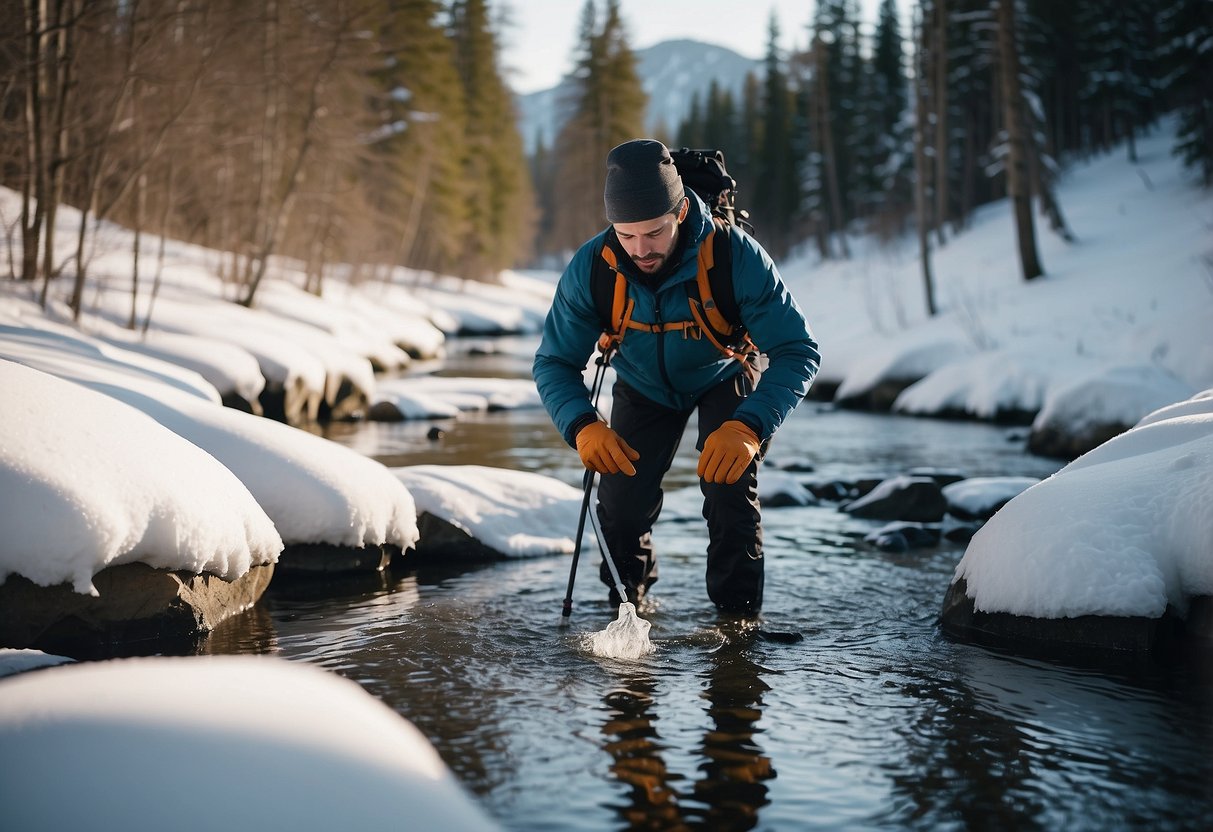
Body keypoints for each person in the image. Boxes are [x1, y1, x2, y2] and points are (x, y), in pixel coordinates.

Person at [533, 139, 820, 615]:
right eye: (626, 235)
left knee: (730, 496)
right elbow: (553, 362)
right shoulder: (593, 267)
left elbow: (797, 350)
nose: (640, 250)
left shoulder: (735, 256)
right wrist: (582, 425)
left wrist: (750, 426)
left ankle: (737, 630)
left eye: (654, 232)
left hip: (723, 373)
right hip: (642, 385)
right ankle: (628, 610)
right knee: (621, 510)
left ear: (682, 211)